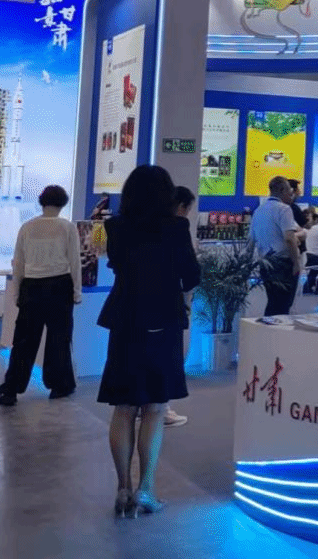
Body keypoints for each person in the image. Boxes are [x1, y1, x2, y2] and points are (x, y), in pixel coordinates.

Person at [96, 165, 201, 516]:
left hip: (125, 321)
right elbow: (191, 275)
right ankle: (146, 489)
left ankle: (122, 488)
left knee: (123, 407)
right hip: (163, 321)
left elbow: (118, 265)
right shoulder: (176, 228)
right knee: (155, 408)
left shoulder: (116, 227)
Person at [0, 185, 81, 407]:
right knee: (59, 339)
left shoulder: (27, 227)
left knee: (23, 340)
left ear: (41, 202)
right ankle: (60, 385)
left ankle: (11, 389)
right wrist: (77, 291)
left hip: (32, 286)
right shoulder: (67, 227)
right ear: (63, 203)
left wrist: (16, 291)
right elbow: (75, 262)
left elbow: (18, 262)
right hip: (60, 286)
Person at [164, 186, 197, 429]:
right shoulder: (177, 227)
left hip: (136, 307)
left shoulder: (136, 226)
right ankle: (161, 408)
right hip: (169, 302)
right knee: (169, 355)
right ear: (182, 206)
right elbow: (190, 271)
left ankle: (144, 405)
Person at [249, 176, 304, 317]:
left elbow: (251, 241)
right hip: (282, 265)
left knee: (273, 302)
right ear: (282, 190)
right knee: (283, 305)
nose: (291, 194)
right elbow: (289, 238)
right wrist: (296, 263)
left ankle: (267, 329)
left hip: (265, 264)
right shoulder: (284, 209)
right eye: (289, 190)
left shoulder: (258, 210)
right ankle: (278, 330)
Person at [301, 210, 318, 295]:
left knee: (314, 270)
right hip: (316, 257)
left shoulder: (311, 229)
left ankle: (307, 287)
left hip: (308, 257)